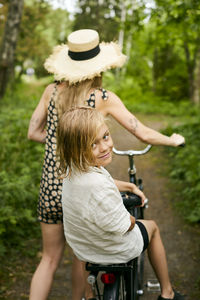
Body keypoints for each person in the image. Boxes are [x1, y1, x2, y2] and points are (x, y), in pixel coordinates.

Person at [27, 29, 185, 300]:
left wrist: (61, 144)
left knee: (49, 259)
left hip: (52, 188)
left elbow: (33, 132)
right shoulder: (101, 97)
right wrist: (171, 140)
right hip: (83, 188)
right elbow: (142, 132)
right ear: (99, 66)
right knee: (81, 253)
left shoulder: (50, 91)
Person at [57, 106, 185, 300]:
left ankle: (88, 294)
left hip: (84, 247)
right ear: (76, 149)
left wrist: (128, 186)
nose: (105, 147)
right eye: (93, 145)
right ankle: (167, 293)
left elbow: (99, 185)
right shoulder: (99, 184)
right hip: (113, 247)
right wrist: (132, 219)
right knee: (152, 227)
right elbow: (124, 225)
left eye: (106, 137)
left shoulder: (73, 170)